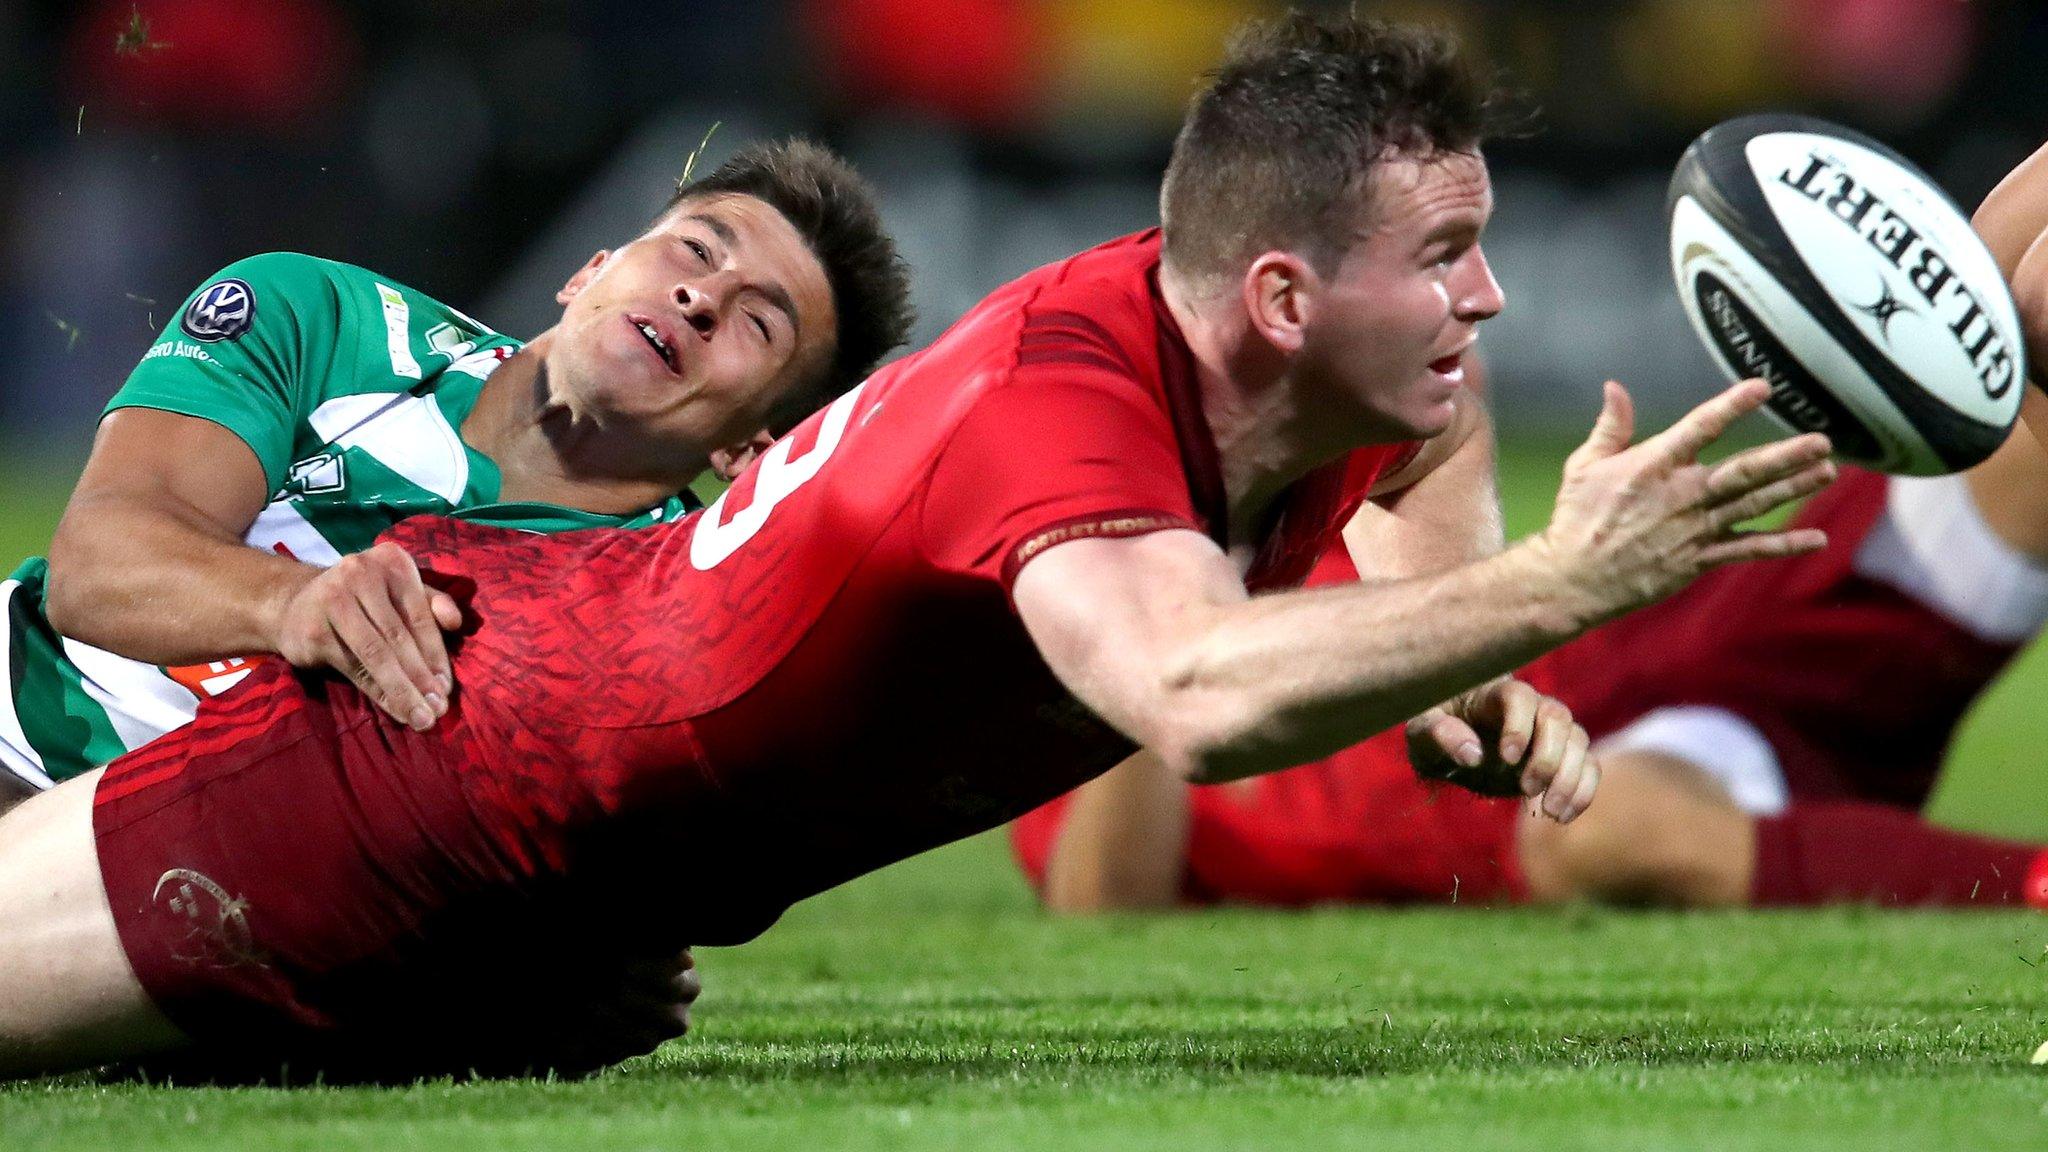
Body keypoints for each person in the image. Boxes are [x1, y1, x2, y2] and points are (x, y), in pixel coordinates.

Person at [0, 12, 1835, 1081]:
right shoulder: (1055, 400)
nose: (1487, 299)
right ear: (1278, 292)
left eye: (1476, 243)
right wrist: (1553, 588)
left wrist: (1455, 642)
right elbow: (1187, 691)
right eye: (1441, 255)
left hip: (494, 822)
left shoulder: (1312, 391)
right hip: (404, 771)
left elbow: (1419, 479)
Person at [1012, 139, 2048, 914]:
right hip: (1624, 777)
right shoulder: (1052, 728)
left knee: (2016, 298)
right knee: (1601, 835)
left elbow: (1439, 394)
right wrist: (1147, 633)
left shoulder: (1315, 487)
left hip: (1711, 625)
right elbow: (1106, 908)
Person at [0, 139, 912, 811]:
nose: (701, 298)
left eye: (759, 324)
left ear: (751, 453)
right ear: (591, 268)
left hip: (171, 896)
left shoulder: (661, 614)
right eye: (696, 249)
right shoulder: (319, 317)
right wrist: (298, 606)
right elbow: (97, 567)